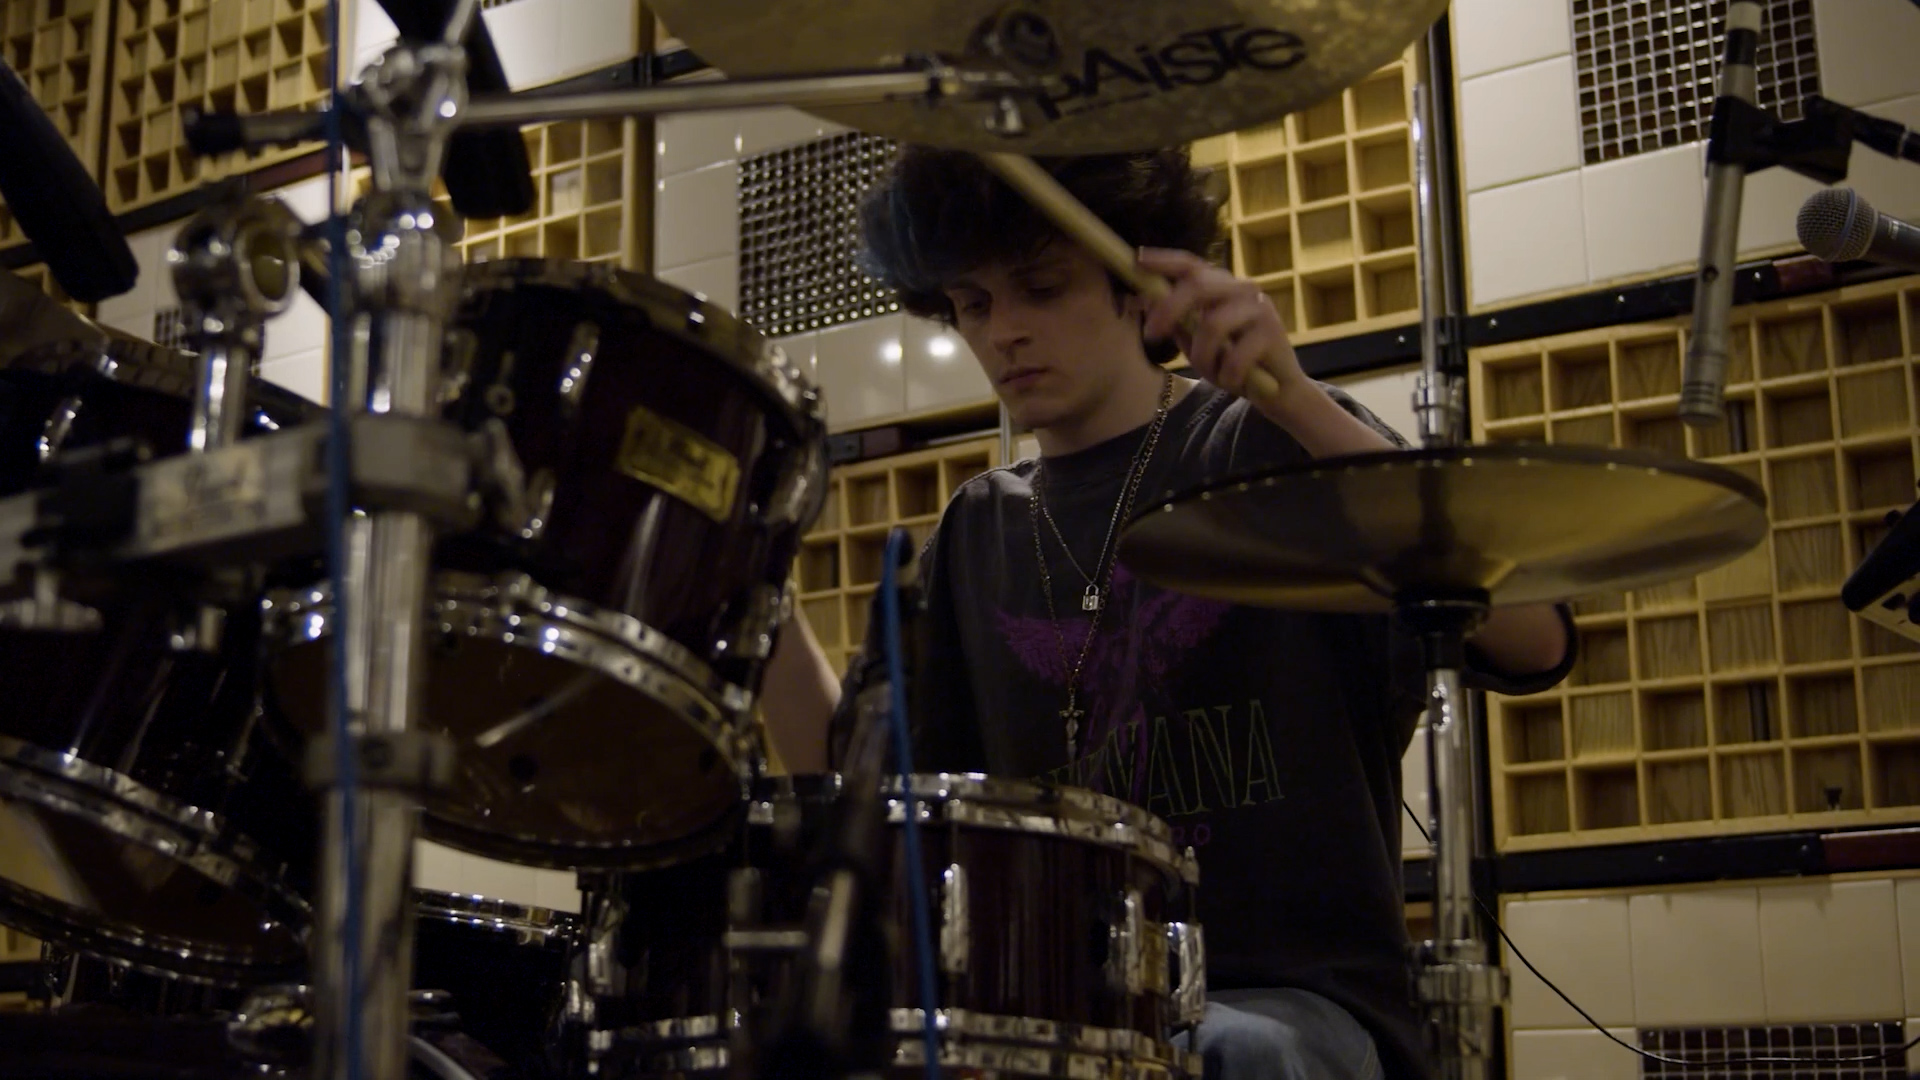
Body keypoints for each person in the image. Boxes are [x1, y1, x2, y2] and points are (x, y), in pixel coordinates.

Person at [755, 146, 1576, 1080]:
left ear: (1140, 288)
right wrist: (751, 572)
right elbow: (851, 778)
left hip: (1293, 1006)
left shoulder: (1265, 450)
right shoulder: (975, 533)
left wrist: (1296, 398)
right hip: (1063, 1021)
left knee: (1225, 1051)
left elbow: (1533, 636)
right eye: (974, 304)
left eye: (1042, 288)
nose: (1004, 332)